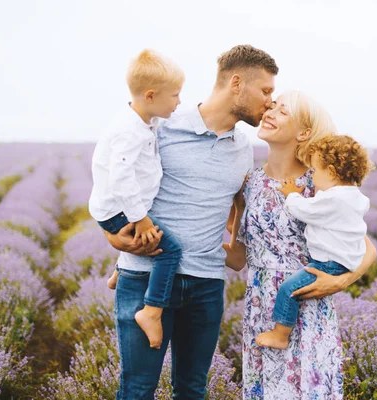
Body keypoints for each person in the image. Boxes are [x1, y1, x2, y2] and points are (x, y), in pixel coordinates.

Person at [103, 44, 278, 399]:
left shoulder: (243, 148)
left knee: (192, 390)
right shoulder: (162, 126)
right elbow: (116, 184)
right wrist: (113, 239)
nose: (270, 102)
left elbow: (235, 214)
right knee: (137, 389)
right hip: (146, 277)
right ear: (236, 82)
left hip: (206, 286)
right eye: (266, 91)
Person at [224, 91, 377, 399]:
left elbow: (367, 248)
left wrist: (340, 280)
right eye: (273, 106)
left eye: (283, 111)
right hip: (261, 308)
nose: (270, 112)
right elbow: (239, 258)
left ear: (304, 132)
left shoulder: (319, 182)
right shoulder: (248, 184)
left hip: (307, 303)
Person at [88, 49, 184, 349]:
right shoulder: (130, 131)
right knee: (170, 250)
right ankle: (152, 311)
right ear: (151, 96)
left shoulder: (142, 121)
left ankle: (119, 269)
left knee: (153, 236)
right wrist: (140, 219)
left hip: (117, 206)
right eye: (175, 95)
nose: (179, 102)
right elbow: (121, 178)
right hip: (120, 209)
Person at [255, 134, 374, 349]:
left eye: (316, 170)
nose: (312, 175)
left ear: (331, 172)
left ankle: (280, 335)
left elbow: (304, 210)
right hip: (344, 263)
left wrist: (292, 195)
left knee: (289, 291)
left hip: (326, 264)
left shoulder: (334, 199)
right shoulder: (356, 197)